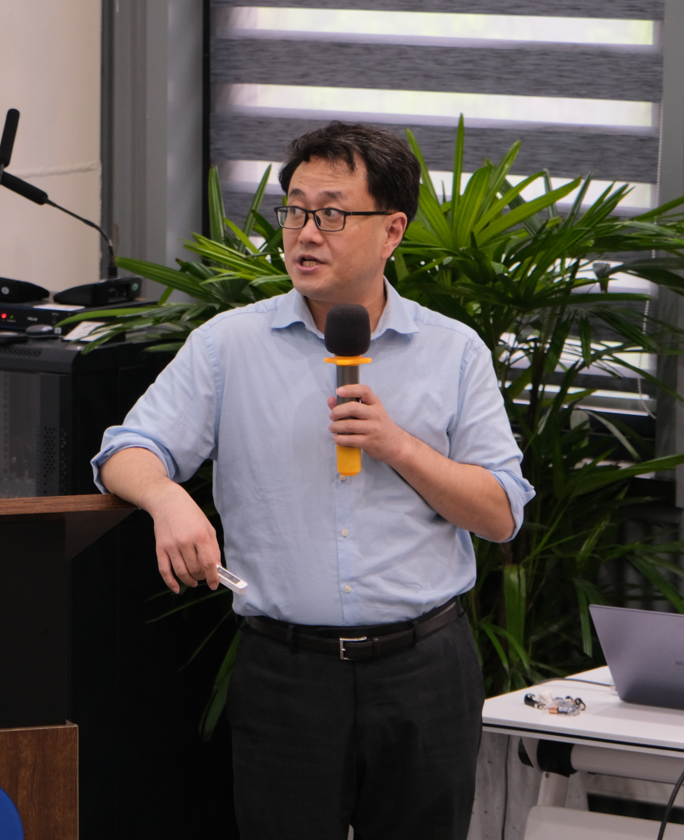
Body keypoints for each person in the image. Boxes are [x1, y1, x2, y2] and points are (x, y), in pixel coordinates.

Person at [92, 122, 534, 840]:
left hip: (424, 670)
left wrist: (398, 445)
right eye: (294, 211)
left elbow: (501, 513)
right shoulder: (229, 345)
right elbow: (124, 451)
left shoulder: (453, 352)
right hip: (286, 674)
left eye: (331, 214)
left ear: (392, 230)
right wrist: (167, 497)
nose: (305, 233)